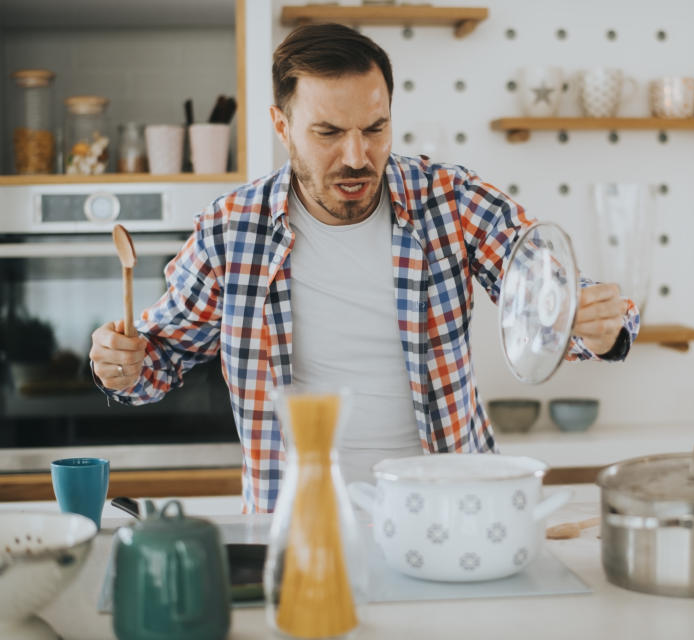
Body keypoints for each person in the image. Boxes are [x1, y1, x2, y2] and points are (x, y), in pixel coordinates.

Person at [88, 24, 641, 513]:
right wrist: (121, 363)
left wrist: (601, 322)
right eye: (328, 133)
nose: (357, 156)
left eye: (375, 129)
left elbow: (550, 294)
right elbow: (157, 359)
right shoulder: (229, 230)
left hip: (451, 507)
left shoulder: (449, 199)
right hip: (297, 517)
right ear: (282, 126)